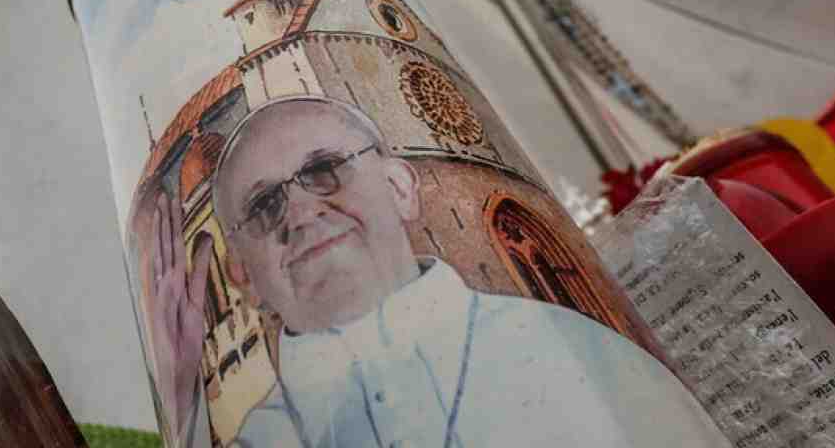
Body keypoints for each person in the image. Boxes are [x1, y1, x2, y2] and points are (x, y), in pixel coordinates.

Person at [148, 95, 726, 447]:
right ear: (243, 275)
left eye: (324, 170)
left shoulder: (587, 354)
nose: (299, 211)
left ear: (400, 188)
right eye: (263, 206)